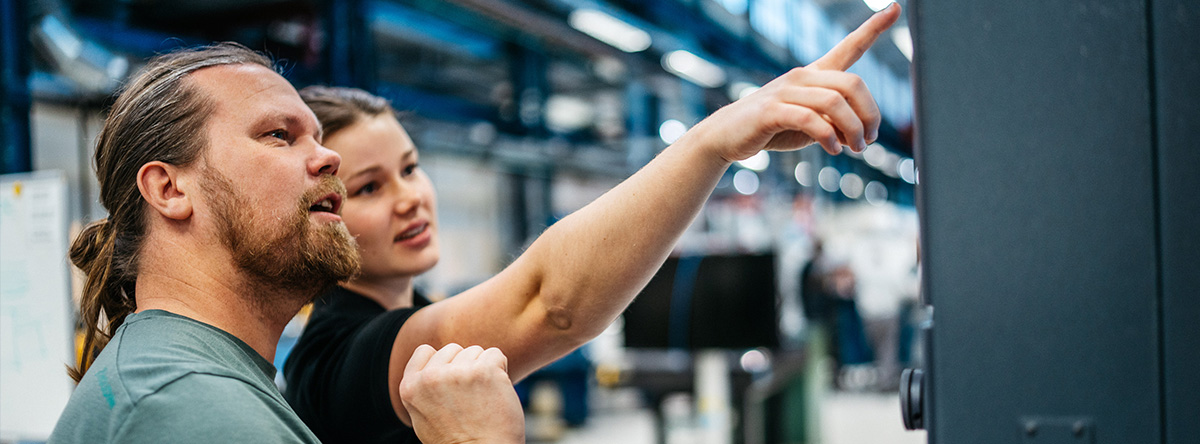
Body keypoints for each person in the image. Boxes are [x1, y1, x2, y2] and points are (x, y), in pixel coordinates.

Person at [283, 4, 902, 442]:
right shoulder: (339, 360)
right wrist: (714, 141)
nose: (409, 198)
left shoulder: (416, 311)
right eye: (368, 187)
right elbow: (549, 303)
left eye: (411, 168)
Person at [48, 42, 522, 444]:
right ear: (170, 190)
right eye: (279, 135)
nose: (330, 157)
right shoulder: (193, 407)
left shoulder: (184, 381)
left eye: (317, 138)